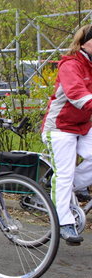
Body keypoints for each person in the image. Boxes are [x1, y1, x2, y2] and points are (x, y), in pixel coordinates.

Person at [41, 24, 92, 246]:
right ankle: (64, 222)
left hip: (83, 125)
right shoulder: (70, 65)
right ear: (84, 43)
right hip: (59, 127)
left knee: (67, 179)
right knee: (64, 174)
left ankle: (63, 187)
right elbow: (77, 95)